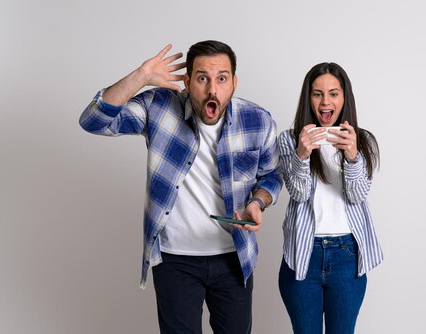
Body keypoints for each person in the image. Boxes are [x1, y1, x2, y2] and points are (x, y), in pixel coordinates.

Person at [79, 40, 282, 334]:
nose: (213, 89)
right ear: (187, 81)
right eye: (202, 78)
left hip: (234, 257)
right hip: (175, 261)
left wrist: (258, 202)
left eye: (222, 78)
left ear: (235, 82)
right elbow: (93, 120)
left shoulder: (258, 120)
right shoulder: (159, 107)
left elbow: (271, 175)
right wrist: (140, 77)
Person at [276, 62, 383, 333]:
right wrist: (301, 155)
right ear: (308, 98)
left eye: (333, 93)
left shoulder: (362, 141)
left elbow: (358, 195)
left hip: (347, 255)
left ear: (344, 97)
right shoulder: (290, 141)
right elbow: (298, 193)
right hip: (304, 254)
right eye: (317, 94)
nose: (325, 102)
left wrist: (352, 156)